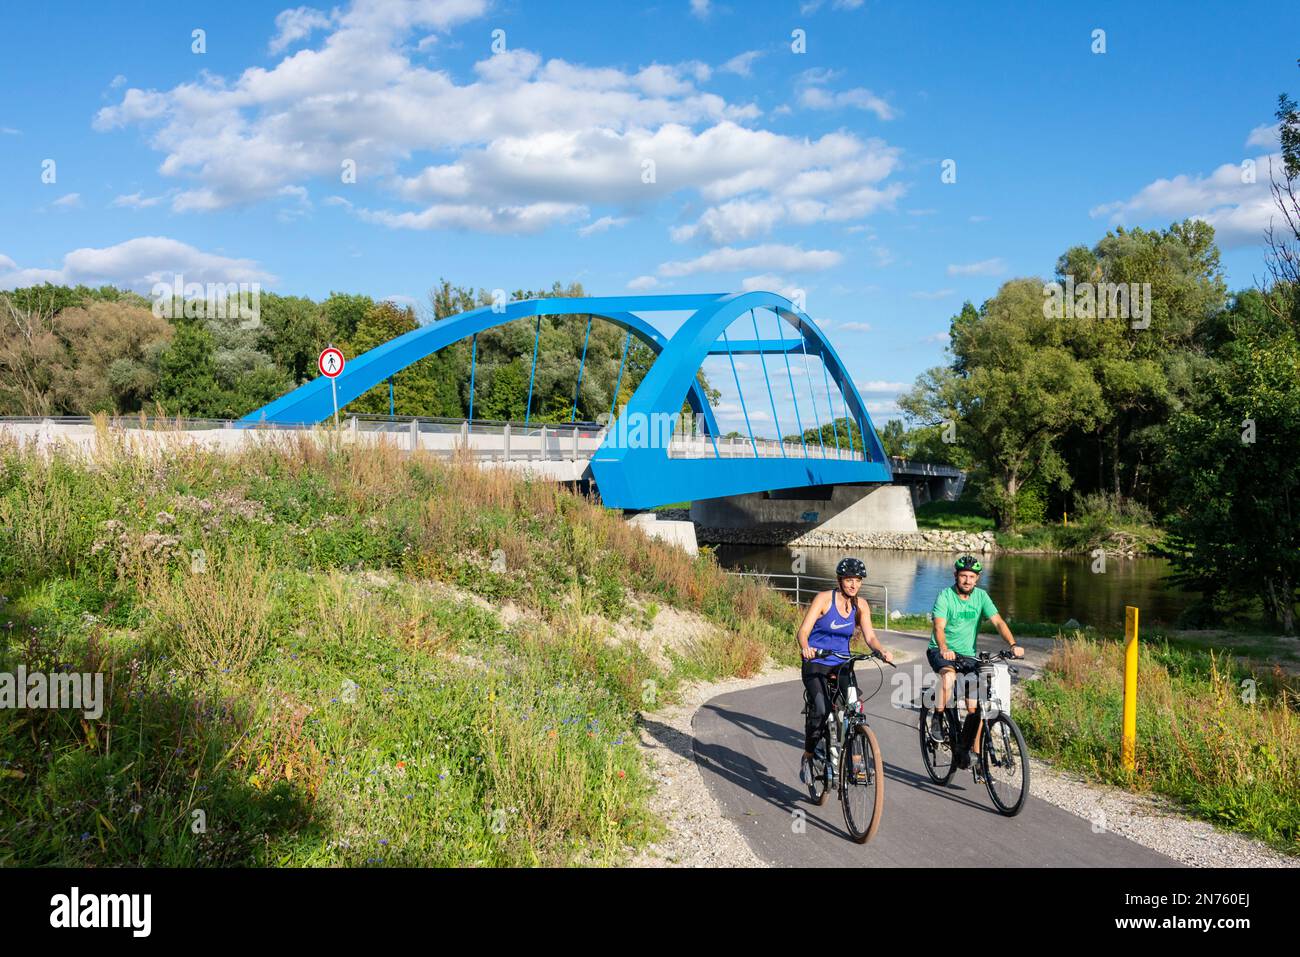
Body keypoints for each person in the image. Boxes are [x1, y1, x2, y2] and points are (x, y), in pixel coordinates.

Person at [796, 557, 894, 786]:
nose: (853, 585)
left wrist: (881, 651)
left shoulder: (861, 605)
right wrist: (806, 647)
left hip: (842, 664)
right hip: (816, 663)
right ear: (840, 580)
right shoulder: (823, 599)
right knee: (820, 711)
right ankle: (808, 756)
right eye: (849, 580)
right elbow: (803, 631)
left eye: (857, 581)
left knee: (855, 709)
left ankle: (857, 762)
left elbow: (870, 636)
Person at [926, 555, 1023, 773]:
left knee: (976, 708)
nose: (967, 581)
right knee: (948, 677)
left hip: (968, 655)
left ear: (977, 578)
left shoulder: (981, 597)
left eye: (971, 577)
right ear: (956, 576)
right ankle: (938, 718)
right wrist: (943, 648)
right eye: (963, 576)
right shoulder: (945, 596)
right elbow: (939, 627)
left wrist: (1013, 644)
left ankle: (974, 754)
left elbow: (998, 621)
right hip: (941, 651)